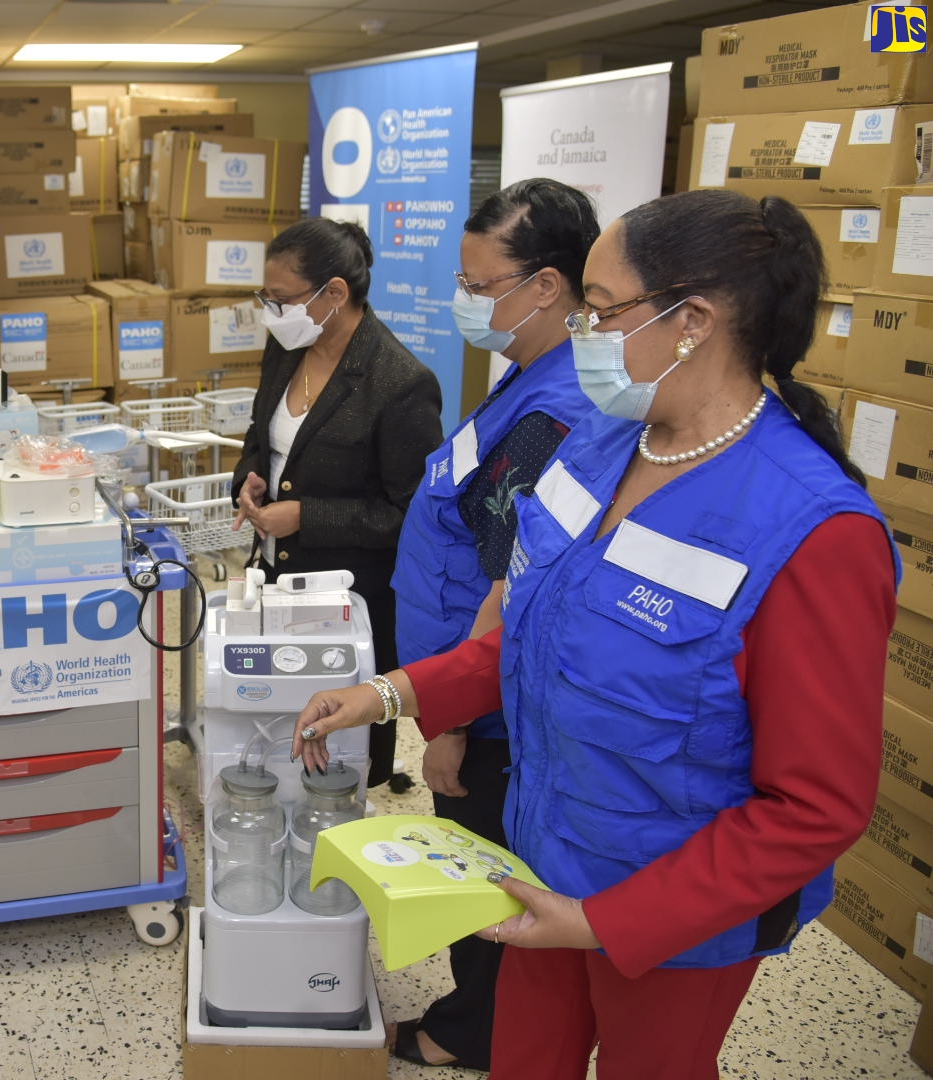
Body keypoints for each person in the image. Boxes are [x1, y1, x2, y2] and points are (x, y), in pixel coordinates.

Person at [290, 188, 898, 1080]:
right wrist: (393, 693)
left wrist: (609, 923)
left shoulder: (814, 531)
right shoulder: (600, 445)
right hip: (544, 859)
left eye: (604, 310)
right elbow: (536, 631)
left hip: (674, 912)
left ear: (692, 321)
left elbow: (815, 807)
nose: (583, 329)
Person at [387, 178, 601, 1070]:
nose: (466, 302)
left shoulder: (566, 410)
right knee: (470, 867)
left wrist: (456, 725)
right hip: (455, 687)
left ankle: (467, 1034)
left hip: (488, 713)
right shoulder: (522, 377)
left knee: (488, 882)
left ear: (545, 285)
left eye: (479, 286)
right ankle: (473, 1015)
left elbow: (509, 587)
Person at [231, 217, 442, 791]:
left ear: (335, 293)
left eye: (281, 300)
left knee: (338, 763)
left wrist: (306, 516)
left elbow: (411, 517)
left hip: (349, 601)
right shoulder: (286, 351)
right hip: (274, 577)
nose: (271, 313)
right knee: (274, 728)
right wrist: (248, 479)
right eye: (265, 299)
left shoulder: (398, 383)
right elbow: (262, 439)